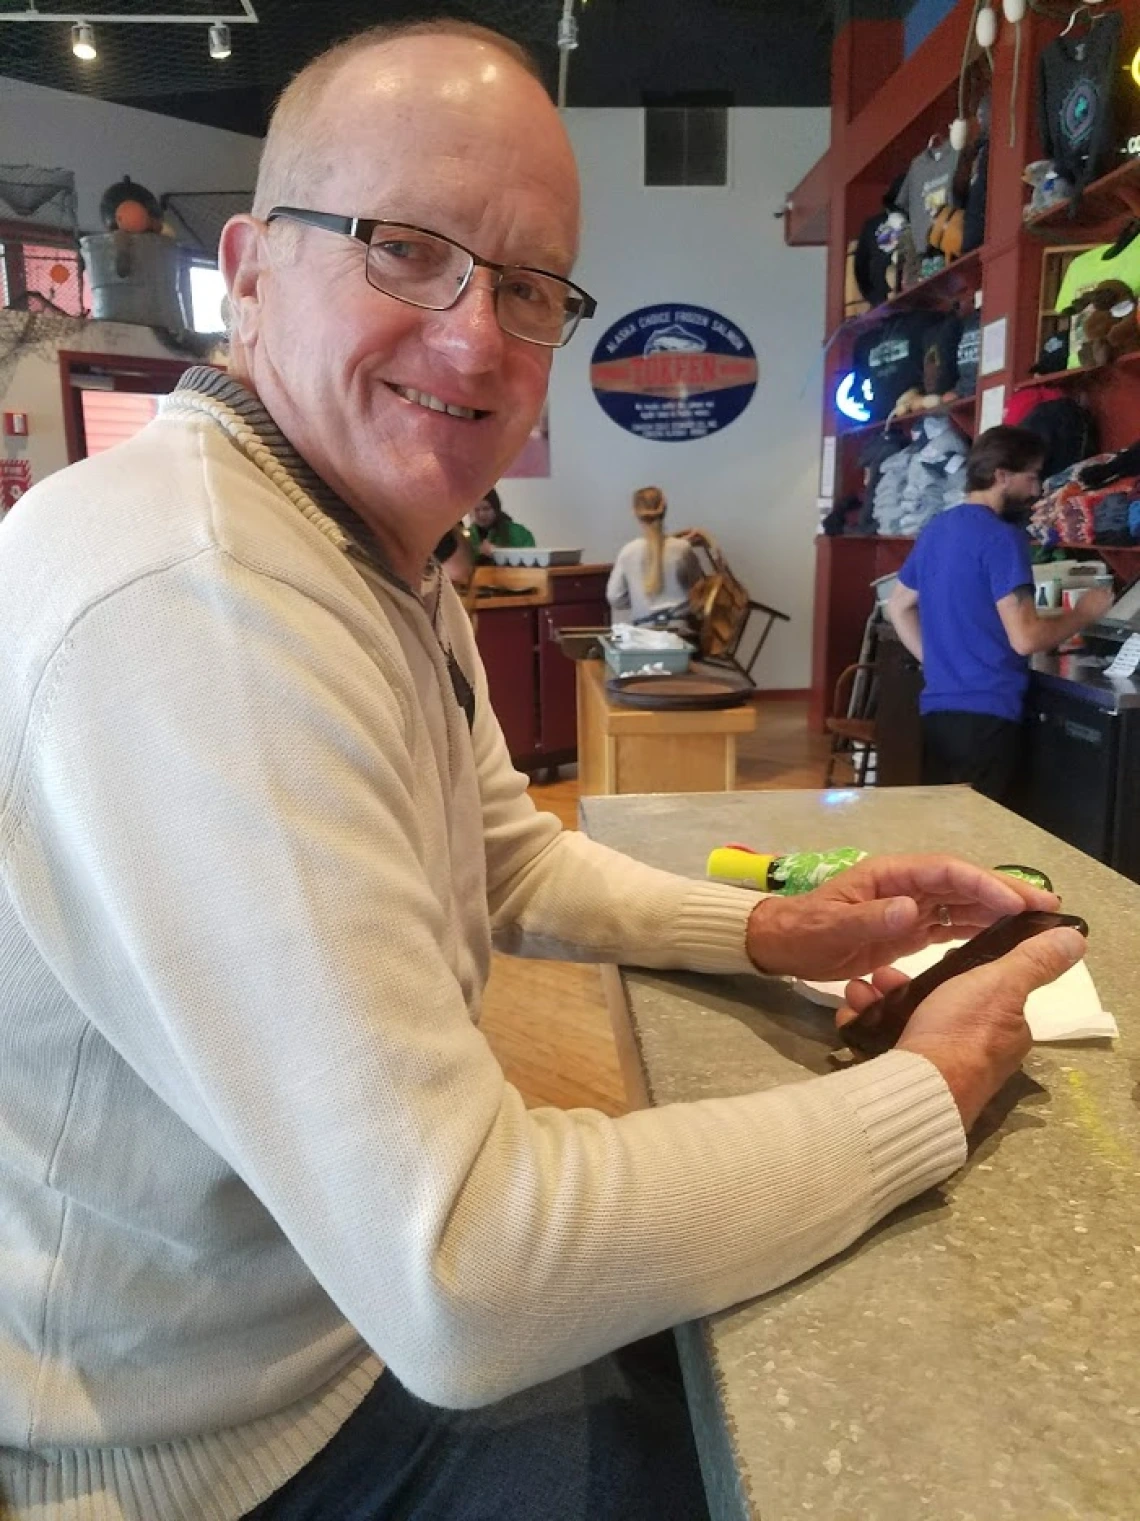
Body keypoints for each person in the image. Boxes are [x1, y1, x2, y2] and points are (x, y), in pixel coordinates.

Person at [0, 23, 1086, 1521]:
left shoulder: (369, 546)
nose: (474, 341)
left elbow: (507, 854)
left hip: (328, 1342)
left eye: (527, 288)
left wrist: (773, 928)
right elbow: (470, 1268)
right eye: (403, 249)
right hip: (204, 1455)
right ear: (247, 272)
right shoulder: (195, 599)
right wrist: (932, 1086)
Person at [888, 424, 1113, 804]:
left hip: (938, 711)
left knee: (942, 826)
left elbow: (898, 606)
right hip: (988, 716)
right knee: (987, 832)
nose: (1036, 489)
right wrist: (1084, 613)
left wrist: (938, 662)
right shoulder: (1002, 538)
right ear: (1002, 475)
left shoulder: (937, 529)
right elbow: (1025, 639)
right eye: (1032, 476)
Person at [606, 484, 702, 626]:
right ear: (665, 508)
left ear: (634, 512)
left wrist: (638, 598)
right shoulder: (682, 548)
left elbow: (615, 598)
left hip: (643, 632)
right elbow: (698, 587)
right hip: (680, 630)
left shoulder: (628, 551)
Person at [467, 486, 536, 556]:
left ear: (496, 509)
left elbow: (530, 557)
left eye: (486, 509)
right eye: (476, 510)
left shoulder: (519, 534)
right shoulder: (466, 537)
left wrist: (499, 552)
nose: (482, 514)